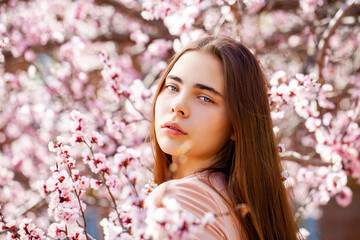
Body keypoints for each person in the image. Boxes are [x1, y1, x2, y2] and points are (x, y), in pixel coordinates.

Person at [146, 36, 300, 240]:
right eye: (173, 87)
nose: (178, 106)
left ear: (237, 125)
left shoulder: (175, 202)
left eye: (205, 98)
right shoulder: (242, 212)